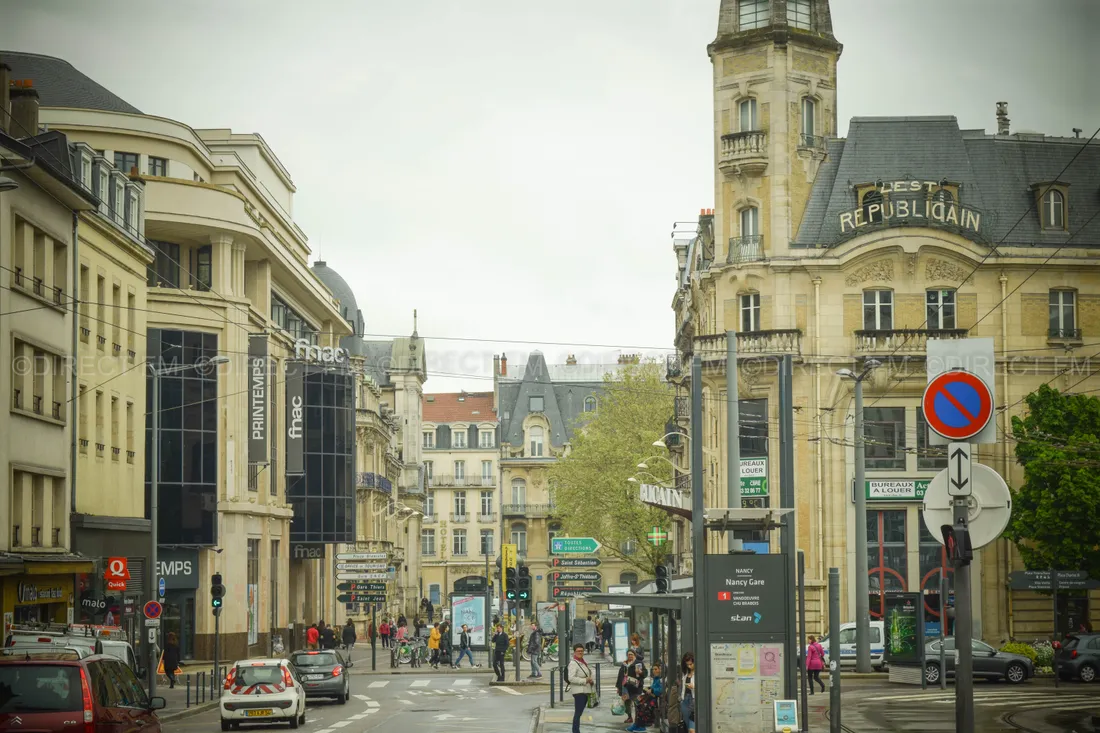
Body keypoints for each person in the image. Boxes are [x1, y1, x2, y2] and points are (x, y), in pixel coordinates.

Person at [566, 644, 594, 733]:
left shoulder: (582, 661)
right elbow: (571, 678)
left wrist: (590, 680)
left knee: (579, 713)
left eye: (582, 651)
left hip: (585, 691)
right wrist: (584, 680)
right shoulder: (573, 663)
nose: (580, 652)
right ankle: (575, 731)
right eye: (578, 651)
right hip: (579, 692)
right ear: (574, 652)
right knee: (578, 714)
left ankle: (576, 731)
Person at [680, 652, 696, 731]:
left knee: (692, 727)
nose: (689, 666)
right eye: (687, 664)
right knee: (687, 724)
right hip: (685, 700)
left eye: (691, 664)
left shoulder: (699, 673)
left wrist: (694, 687)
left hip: (694, 700)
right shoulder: (685, 673)